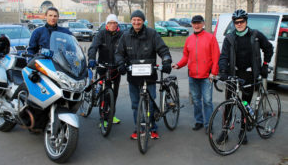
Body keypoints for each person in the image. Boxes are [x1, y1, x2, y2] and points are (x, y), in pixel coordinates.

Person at [217, 9, 274, 144]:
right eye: (236, 22)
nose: (239, 24)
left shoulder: (256, 35)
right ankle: (225, 132)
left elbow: (269, 48)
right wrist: (223, 71)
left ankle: (243, 131)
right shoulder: (230, 38)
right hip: (234, 75)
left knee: (244, 104)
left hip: (249, 75)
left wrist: (265, 65)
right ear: (234, 23)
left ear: (246, 21)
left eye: (242, 21)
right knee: (229, 105)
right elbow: (224, 56)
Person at [115, 10, 172, 140]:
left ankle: (152, 128)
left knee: (149, 104)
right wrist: (120, 64)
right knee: (135, 104)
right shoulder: (125, 36)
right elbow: (119, 53)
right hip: (133, 78)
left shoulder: (152, 34)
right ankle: (138, 128)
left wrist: (166, 61)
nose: (136, 22)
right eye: (134, 20)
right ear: (131, 21)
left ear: (143, 21)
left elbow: (163, 49)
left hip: (149, 77)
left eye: (139, 20)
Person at [172, 15, 220, 134]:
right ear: (192, 24)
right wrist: (178, 65)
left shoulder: (210, 38)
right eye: (194, 23)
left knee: (207, 101)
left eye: (199, 23)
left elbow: (216, 57)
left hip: (207, 77)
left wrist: (213, 73)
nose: (197, 25)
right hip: (193, 76)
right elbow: (185, 56)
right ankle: (199, 121)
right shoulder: (189, 39)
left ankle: (208, 124)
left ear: (203, 24)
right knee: (196, 101)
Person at [87, 14, 123, 124]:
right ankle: (103, 117)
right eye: (110, 23)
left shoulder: (122, 35)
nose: (112, 25)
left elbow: (126, 50)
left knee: (114, 93)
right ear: (106, 24)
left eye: (114, 23)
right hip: (103, 66)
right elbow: (93, 47)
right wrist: (92, 59)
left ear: (117, 24)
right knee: (104, 92)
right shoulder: (101, 34)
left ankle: (111, 114)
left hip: (116, 68)